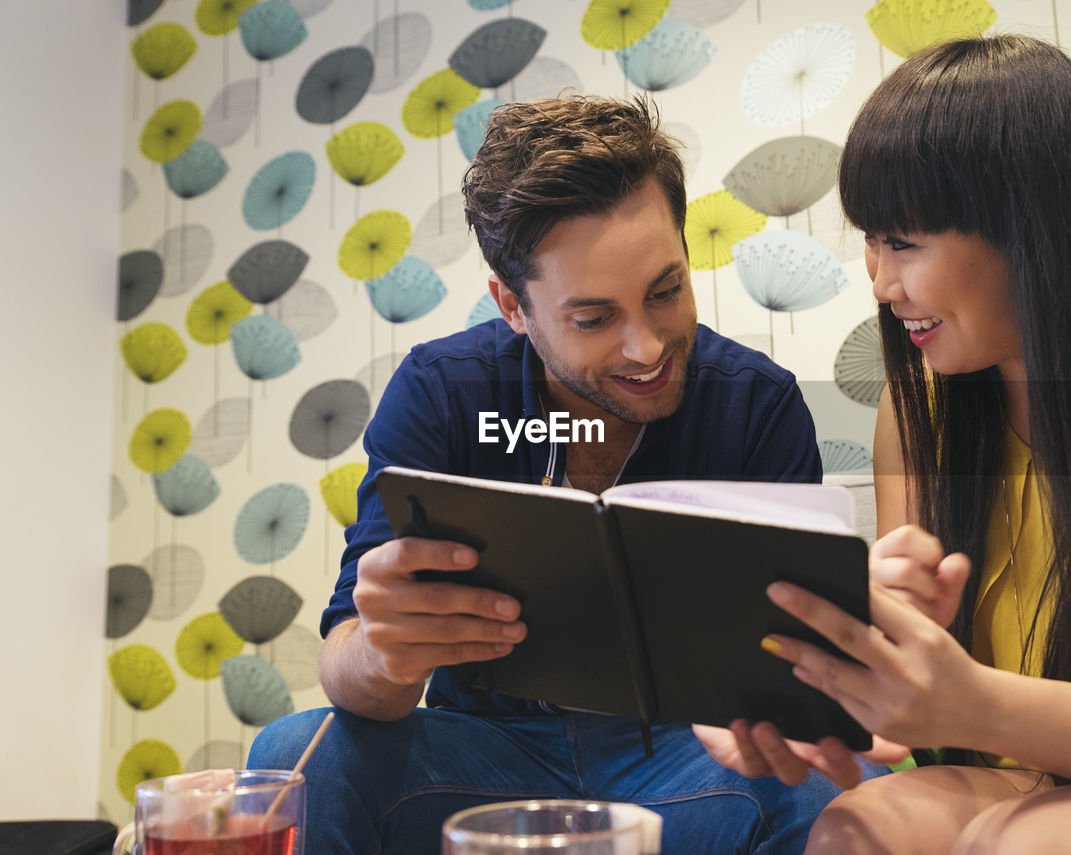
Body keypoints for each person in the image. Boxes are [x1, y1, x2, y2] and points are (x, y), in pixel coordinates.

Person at [248, 94, 883, 855]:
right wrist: (384, 655)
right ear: (513, 306)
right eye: (593, 319)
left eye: (666, 290)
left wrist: (802, 696)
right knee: (293, 760)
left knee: (854, 799)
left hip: (691, 760)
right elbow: (348, 664)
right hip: (482, 756)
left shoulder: (757, 402)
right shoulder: (442, 391)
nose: (646, 347)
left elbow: (795, 670)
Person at [695, 34, 1071, 853]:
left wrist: (966, 701)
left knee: (1024, 845)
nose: (879, 282)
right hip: (1022, 763)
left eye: (903, 242)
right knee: (850, 833)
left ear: (1030, 229)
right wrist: (817, 696)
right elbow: (915, 705)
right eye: (870, 239)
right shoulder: (918, 411)